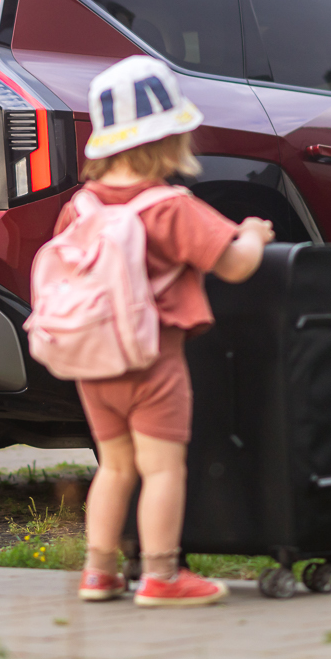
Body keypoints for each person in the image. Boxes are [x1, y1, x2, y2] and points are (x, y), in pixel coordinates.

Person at [59, 55, 275, 607]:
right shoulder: (170, 206)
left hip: (91, 361)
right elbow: (235, 265)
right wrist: (252, 232)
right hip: (154, 364)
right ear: (170, 140)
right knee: (162, 469)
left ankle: (98, 572)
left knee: (114, 467)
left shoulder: (79, 208)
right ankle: (161, 575)